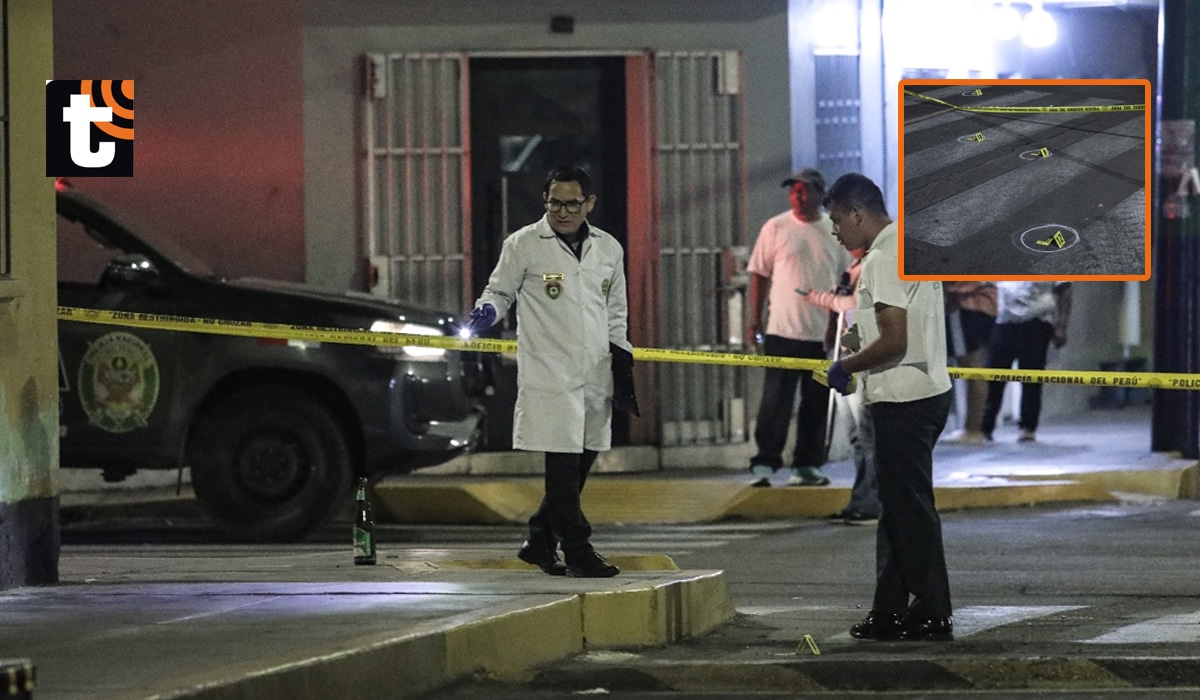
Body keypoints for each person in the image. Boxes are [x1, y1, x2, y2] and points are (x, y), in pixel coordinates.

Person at [463, 165, 634, 578]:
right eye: (554, 202)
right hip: (550, 372)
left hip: (595, 370)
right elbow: (500, 290)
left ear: (589, 203)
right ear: (545, 201)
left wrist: (621, 352)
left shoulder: (608, 249)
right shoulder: (524, 244)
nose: (562, 211)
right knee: (561, 468)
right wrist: (487, 311)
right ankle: (578, 550)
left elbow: (615, 309)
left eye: (571, 203)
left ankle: (539, 540)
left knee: (581, 464)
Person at [822, 173, 955, 641]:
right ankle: (889, 610)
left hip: (904, 399)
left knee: (910, 512)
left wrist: (845, 367)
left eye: (838, 220)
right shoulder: (910, 245)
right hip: (927, 392)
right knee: (899, 510)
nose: (836, 232)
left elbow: (894, 341)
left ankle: (933, 609)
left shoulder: (882, 257)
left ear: (858, 214)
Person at [746, 168, 852, 487]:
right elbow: (759, 274)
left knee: (815, 402)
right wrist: (755, 320)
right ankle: (765, 461)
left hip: (822, 334)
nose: (797, 196)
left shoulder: (834, 232)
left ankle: (807, 464)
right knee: (774, 400)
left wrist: (840, 325)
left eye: (804, 191)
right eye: (793, 191)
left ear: (820, 195)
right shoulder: (775, 227)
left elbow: (846, 280)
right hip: (782, 331)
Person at [804, 248, 880, 525]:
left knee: (866, 435)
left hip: (859, 357)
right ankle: (860, 500)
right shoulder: (854, 267)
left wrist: (821, 298)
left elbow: (855, 305)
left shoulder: (876, 264)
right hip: (842, 355)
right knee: (856, 437)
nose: (837, 234)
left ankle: (869, 503)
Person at [979, 282, 1073, 443]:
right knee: (993, 375)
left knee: (1031, 376)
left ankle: (1028, 427)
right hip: (1003, 321)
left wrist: (1061, 326)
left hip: (1036, 321)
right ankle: (985, 426)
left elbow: (1065, 289)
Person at [942, 282, 997, 443]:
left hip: (966, 304)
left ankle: (973, 430)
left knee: (972, 367)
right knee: (974, 367)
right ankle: (973, 429)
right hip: (981, 304)